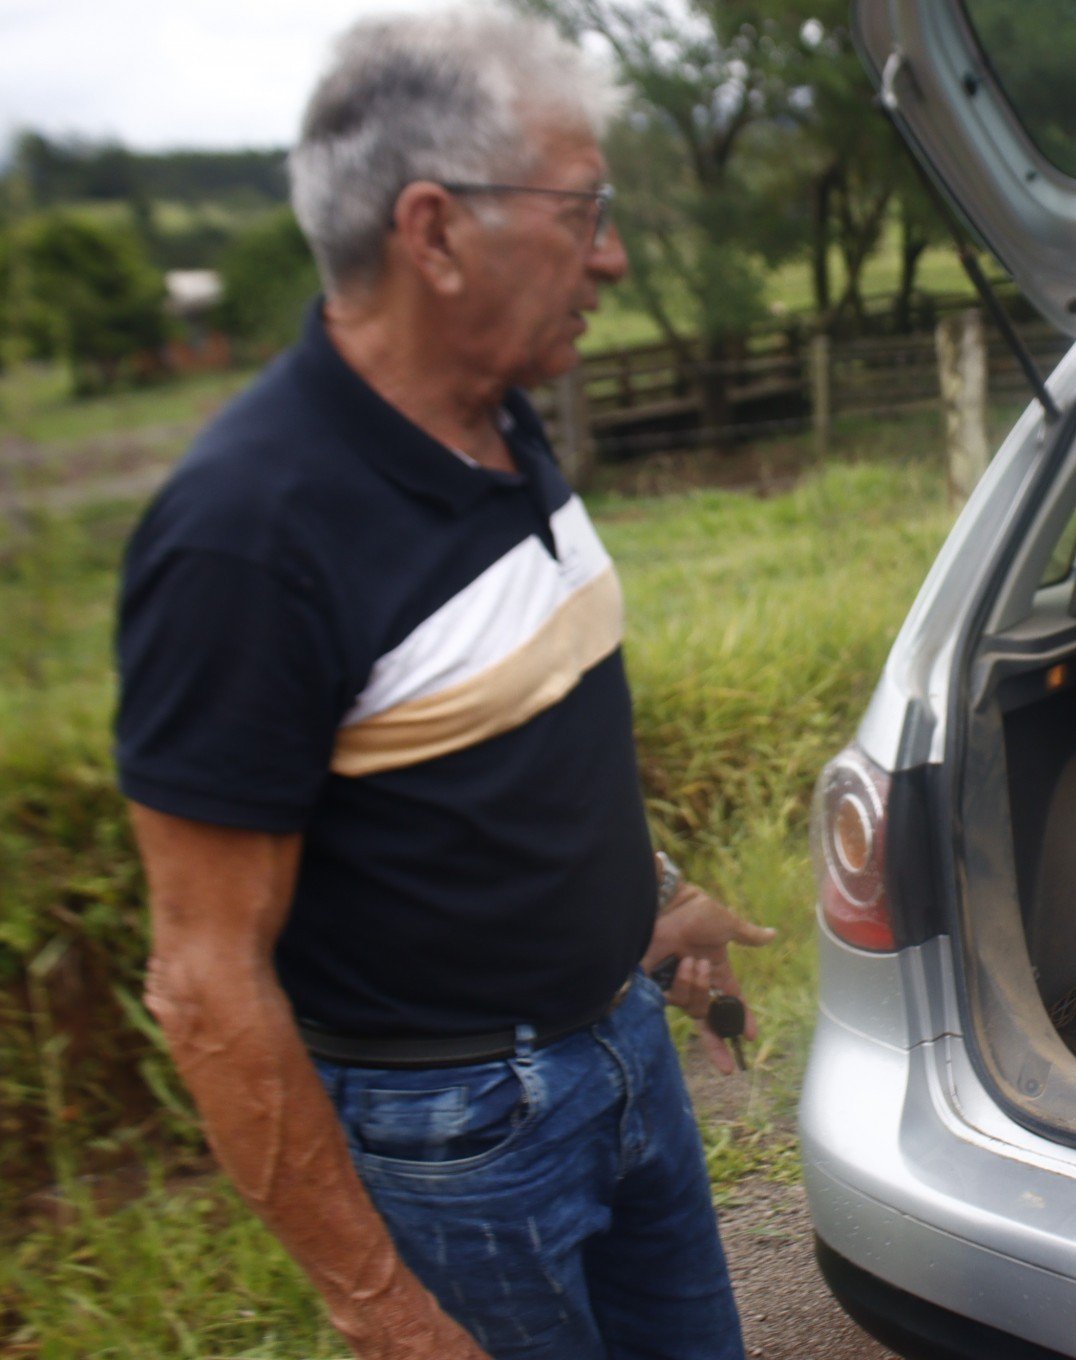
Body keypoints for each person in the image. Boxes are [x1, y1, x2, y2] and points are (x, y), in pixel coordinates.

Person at [113, 12, 773, 1359]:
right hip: (464, 1140)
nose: (615, 254)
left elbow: (505, 714)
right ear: (435, 233)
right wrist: (393, 1321)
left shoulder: (499, 410)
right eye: (582, 211)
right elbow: (204, 984)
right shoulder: (246, 537)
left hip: (625, 1047)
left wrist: (644, 898)